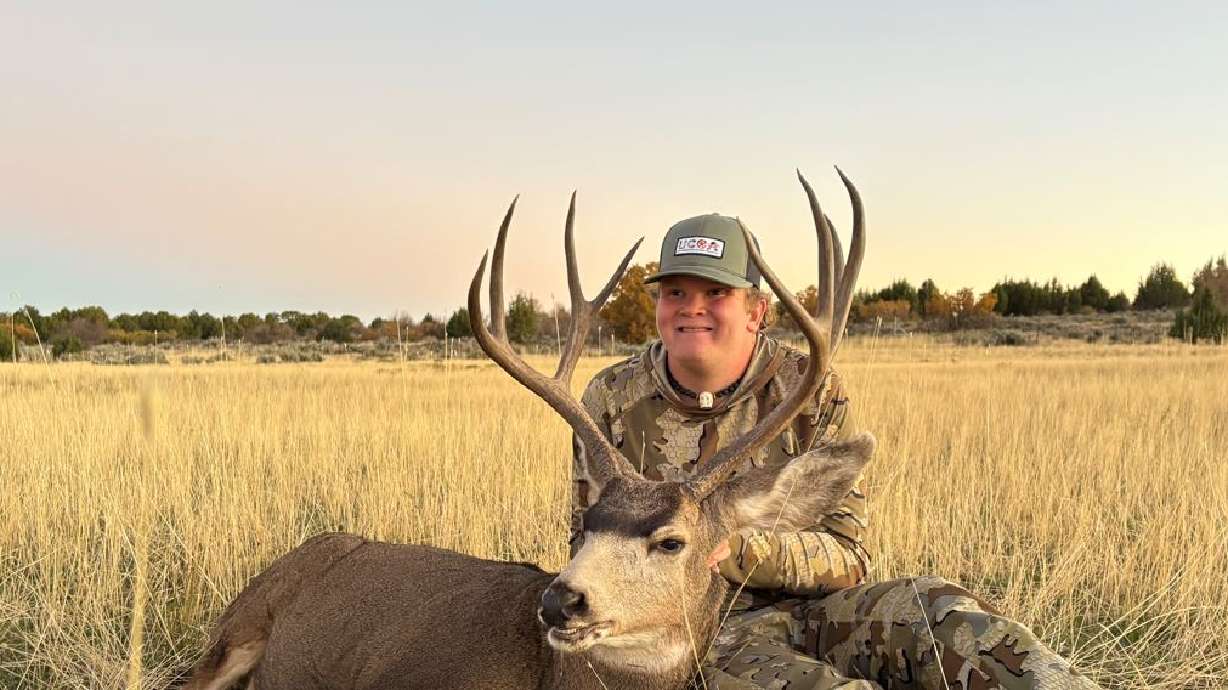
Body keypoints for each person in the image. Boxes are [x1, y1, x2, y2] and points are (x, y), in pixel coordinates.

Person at [570, 213, 1100, 689]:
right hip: (701, 632)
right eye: (676, 293)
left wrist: (739, 549)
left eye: (716, 294)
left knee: (944, 619)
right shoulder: (611, 397)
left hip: (821, 610)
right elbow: (588, 541)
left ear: (757, 311)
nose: (693, 309)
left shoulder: (809, 386)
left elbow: (849, 556)